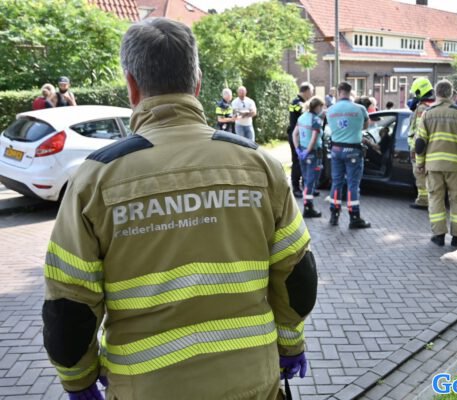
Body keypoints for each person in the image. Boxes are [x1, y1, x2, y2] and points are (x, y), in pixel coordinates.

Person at [41, 18, 317, 400]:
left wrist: (78, 377)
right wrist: (290, 342)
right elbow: (297, 273)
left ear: (131, 85)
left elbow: (69, 300)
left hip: (146, 389)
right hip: (254, 382)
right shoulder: (261, 166)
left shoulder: (95, 180)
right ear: (197, 83)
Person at [415, 80, 457, 247]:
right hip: (454, 166)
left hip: (433, 166)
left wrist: (420, 163)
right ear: (451, 93)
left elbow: (420, 142)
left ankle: (439, 235)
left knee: (435, 199)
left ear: (436, 94)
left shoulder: (428, 113)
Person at [326, 81, 371, 229]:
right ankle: (354, 217)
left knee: (336, 182)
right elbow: (365, 126)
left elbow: (331, 127)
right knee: (353, 184)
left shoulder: (330, 110)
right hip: (353, 151)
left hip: (336, 150)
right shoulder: (360, 109)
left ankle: (334, 215)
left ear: (338, 92)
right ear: (350, 91)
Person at [293, 97, 325, 218]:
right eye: (321, 107)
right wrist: (308, 150)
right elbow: (314, 138)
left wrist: (298, 149)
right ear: (317, 107)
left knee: (306, 179)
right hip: (313, 153)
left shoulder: (302, 117)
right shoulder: (315, 120)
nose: (322, 109)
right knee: (312, 181)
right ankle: (308, 207)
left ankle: (307, 206)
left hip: (302, 151)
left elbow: (294, 134)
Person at [408, 78, 435, 210]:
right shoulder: (434, 105)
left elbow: (419, 132)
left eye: (416, 93)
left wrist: (415, 149)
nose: (414, 96)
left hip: (420, 148)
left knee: (419, 173)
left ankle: (423, 200)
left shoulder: (422, 108)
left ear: (420, 92)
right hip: (432, 147)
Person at [287, 82, 314, 198]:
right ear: (306, 91)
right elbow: (303, 112)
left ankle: (306, 187)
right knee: (297, 162)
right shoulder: (297, 103)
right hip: (296, 136)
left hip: (300, 135)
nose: (311, 94)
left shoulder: (297, 102)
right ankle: (296, 188)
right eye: (311, 92)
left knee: (303, 161)